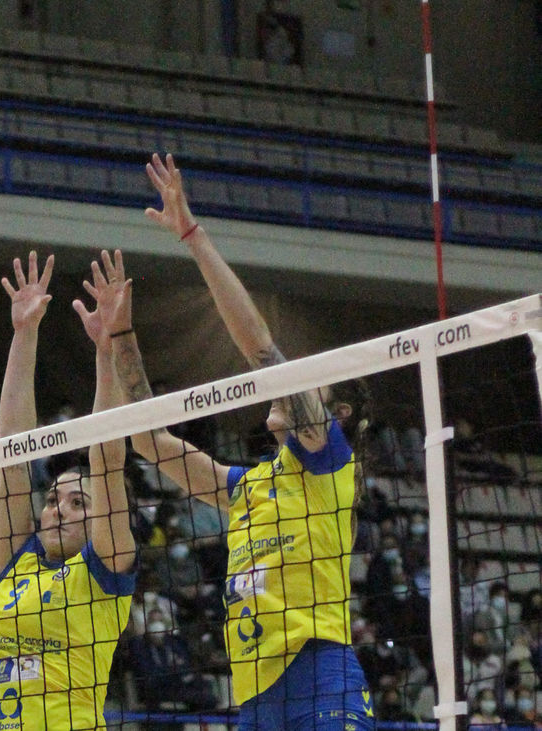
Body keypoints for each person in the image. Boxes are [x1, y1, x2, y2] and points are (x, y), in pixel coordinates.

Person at [112, 153, 373, 729]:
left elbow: (260, 350)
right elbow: (149, 443)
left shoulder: (330, 462)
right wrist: (118, 336)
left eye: (310, 380)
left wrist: (191, 234)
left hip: (318, 670)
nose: (291, 382)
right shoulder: (247, 488)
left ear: (340, 411)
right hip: (253, 689)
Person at [0, 251, 137, 730]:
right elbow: (12, 453)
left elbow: (107, 459)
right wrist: (24, 335)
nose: (58, 510)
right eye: (53, 501)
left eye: (77, 502)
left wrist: (105, 353)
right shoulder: (18, 560)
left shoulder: (105, 569)